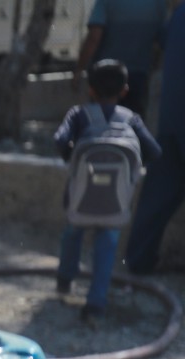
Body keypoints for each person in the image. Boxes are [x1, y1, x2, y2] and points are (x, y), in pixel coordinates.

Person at [54, 60, 161, 323]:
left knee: (72, 234)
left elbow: (59, 140)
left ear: (90, 89)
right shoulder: (131, 119)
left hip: (79, 199)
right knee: (107, 245)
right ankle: (95, 306)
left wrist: (73, 159)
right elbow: (154, 152)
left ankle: (65, 281)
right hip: (115, 202)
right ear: (125, 90)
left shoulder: (79, 114)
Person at [124, 2, 185, 275]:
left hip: (172, 120)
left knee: (158, 194)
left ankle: (138, 259)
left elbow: (161, 39)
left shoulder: (180, 12)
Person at [73, 0, 170, 116]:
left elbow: (94, 37)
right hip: (139, 76)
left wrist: (79, 68)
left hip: (105, 76)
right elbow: (163, 40)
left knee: (101, 122)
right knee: (132, 122)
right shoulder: (158, 3)